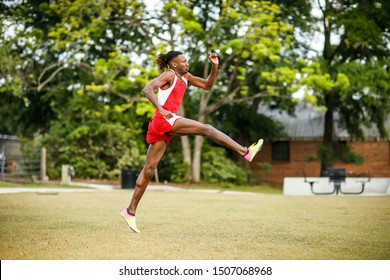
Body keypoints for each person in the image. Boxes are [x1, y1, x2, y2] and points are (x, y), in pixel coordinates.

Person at [121, 51, 263, 233]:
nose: (187, 63)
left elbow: (207, 85)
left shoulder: (185, 77)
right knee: (207, 129)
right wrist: (160, 108)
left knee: (148, 171)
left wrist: (214, 66)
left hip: (165, 122)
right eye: (184, 61)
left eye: (187, 61)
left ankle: (130, 211)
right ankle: (245, 152)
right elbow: (147, 89)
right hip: (163, 119)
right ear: (174, 64)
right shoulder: (169, 75)